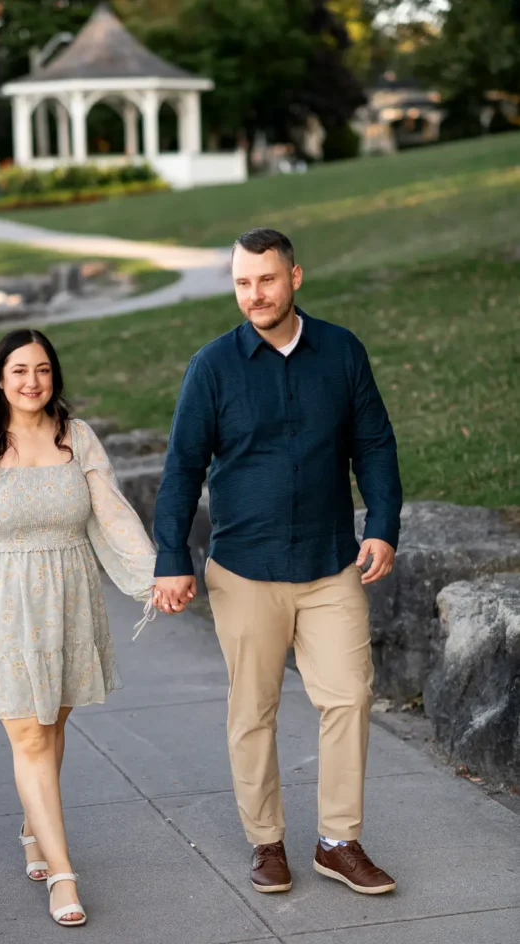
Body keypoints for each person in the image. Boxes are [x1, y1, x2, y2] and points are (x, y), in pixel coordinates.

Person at [152, 228, 402, 897]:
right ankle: (267, 842)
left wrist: (381, 526)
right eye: (241, 283)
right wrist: (170, 557)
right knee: (252, 711)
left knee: (347, 696)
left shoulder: (340, 352)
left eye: (265, 280)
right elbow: (181, 469)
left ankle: (336, 841)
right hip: (242, 571)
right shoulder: (212, 367)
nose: (253, 295)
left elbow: (373, 443)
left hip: (328, 564)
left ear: (294, 277)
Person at [0, 328, 157, 927]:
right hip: (2, 606)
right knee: (28, 736)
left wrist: (157, 577)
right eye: (19, 370)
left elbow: (113, 512)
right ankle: (64, 874)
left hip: (70, 601)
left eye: (43, 370)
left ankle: (32, 825)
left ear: (54, 377)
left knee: (49, 726)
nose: (32, 382)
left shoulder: (76, 439)